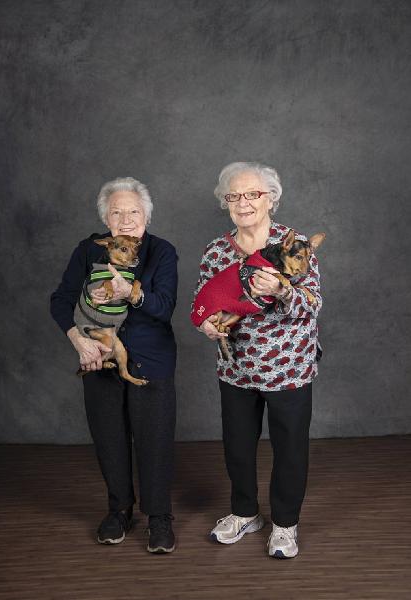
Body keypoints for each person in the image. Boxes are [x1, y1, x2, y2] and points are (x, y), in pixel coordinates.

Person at [193, 162, 322, 558]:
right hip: (236, 370)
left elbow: (312, 304)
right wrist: (208, 327)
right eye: (234, 196)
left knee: (290, 449)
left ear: (271, 199)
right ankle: (245, 513)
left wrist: (283, 291)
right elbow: (204, 304)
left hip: (289, 369)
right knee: (237, 447)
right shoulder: (217, 250)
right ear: (225, 203)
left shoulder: (293, 244)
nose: (243, 203)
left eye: (253, 194)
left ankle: (285, 525)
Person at [50, 177, 178, 553]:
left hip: (151, 358)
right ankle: (119, 510)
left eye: (133, 212)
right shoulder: (88, 250)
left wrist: (131, 295)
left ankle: (159, 517)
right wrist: (79, 341)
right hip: (99, 356)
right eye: (117, 212)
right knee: (109, 437)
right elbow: (61, 300)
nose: (125, 219)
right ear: (106, 218)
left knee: (154, 441)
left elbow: (165, 307)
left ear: (147, 217)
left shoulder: (162, 252)